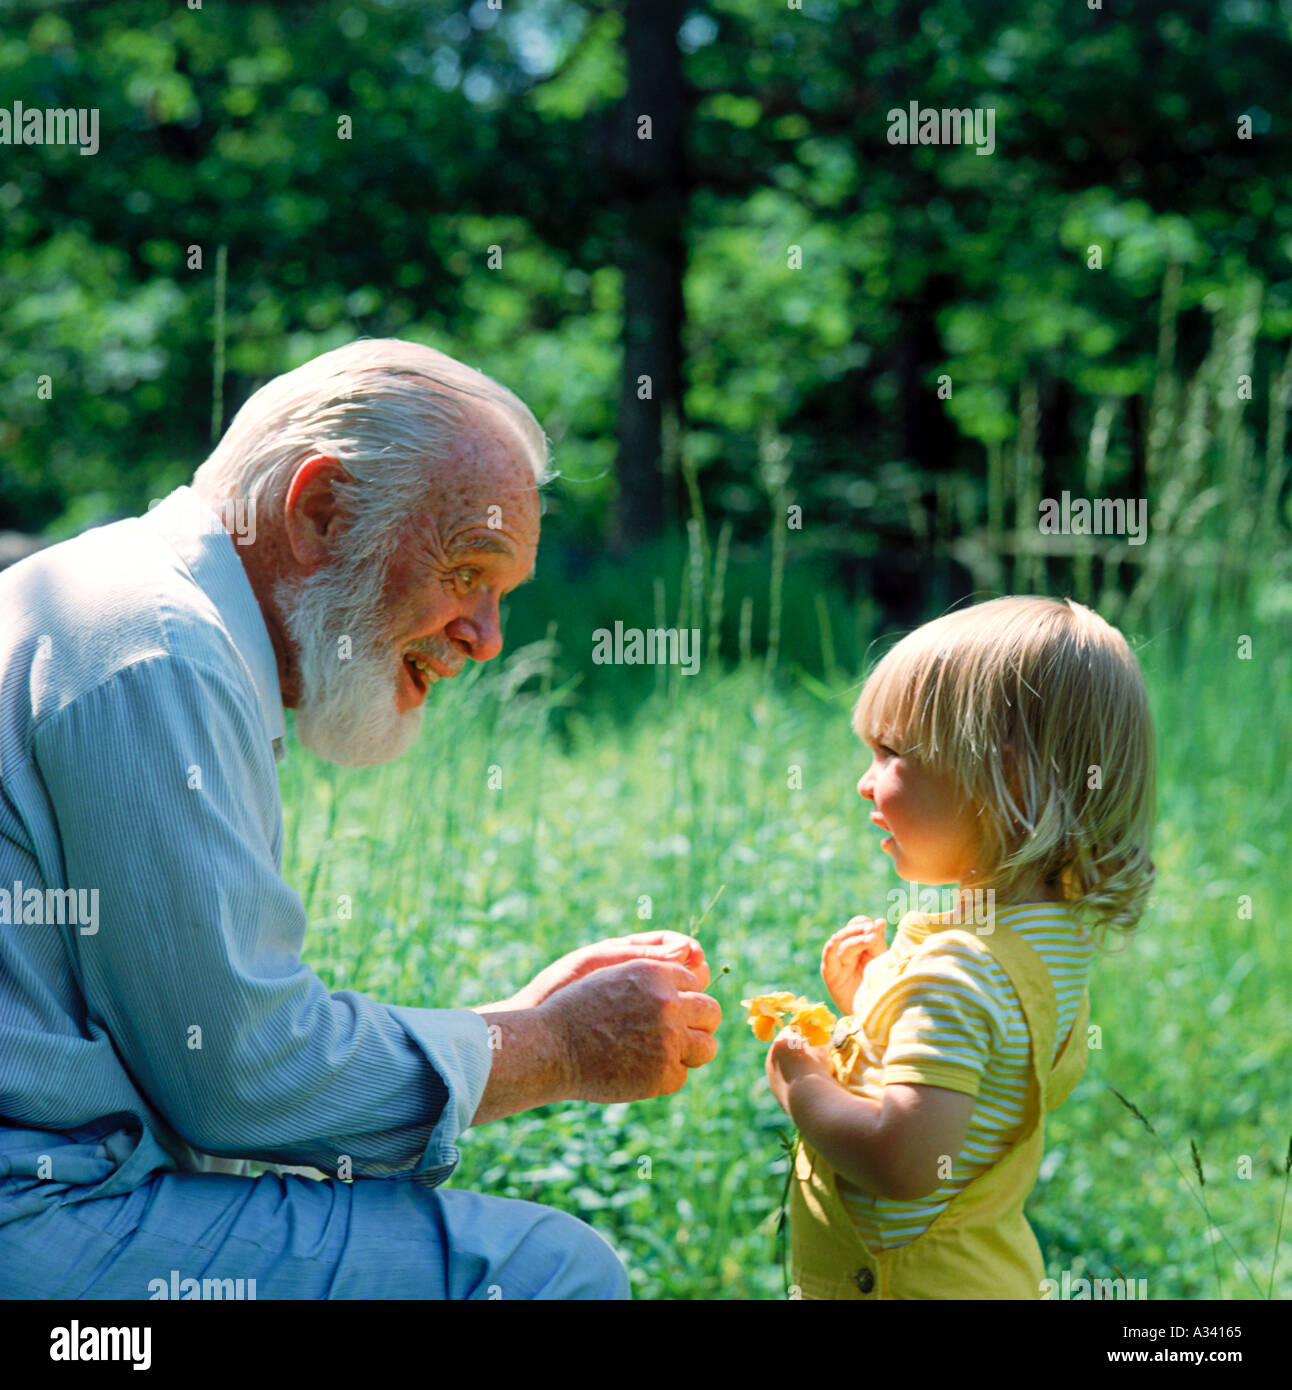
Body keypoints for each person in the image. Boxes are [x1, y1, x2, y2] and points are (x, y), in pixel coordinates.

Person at [0, 338, 721, 1299]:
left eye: (504, 598)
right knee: (542, 1273)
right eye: (469, 572)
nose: (489, 639)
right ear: (322, 513)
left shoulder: (132, 613)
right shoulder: (158, 650)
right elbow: (237, 1079)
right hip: (38, 1218)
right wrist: (555, 1048)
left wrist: (520, 1028)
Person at [760, 595, 1155, 1298]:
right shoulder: (1047, 943)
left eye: (890, 753)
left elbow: (904, 1157)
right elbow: (981, 1060)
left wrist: (805, 1088)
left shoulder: (954, 974)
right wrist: (876, 1003)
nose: (864, 782)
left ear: (1005, 780)